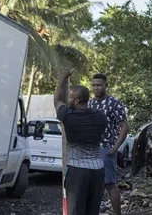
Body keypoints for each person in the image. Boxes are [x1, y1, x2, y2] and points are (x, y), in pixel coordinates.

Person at [53, 69, 107, 215]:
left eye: (71, 98)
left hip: (78, 171)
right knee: (92, 211)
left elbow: (57, 100)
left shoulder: (68, 116)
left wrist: (62, 78)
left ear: (76, 101)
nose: (68, 100)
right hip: (98, 171)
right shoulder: (101, 117)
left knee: (76, 211)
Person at [88, 73, 129, 215]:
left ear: (106, 85)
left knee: (110, 185)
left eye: (99, 85)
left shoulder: (114, 103)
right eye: (93, 85)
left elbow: (124, 126)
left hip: (106, 149)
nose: (96, 88)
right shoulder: (90, 103)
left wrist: (115, 148)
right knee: (92, 186)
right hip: (91, 150)